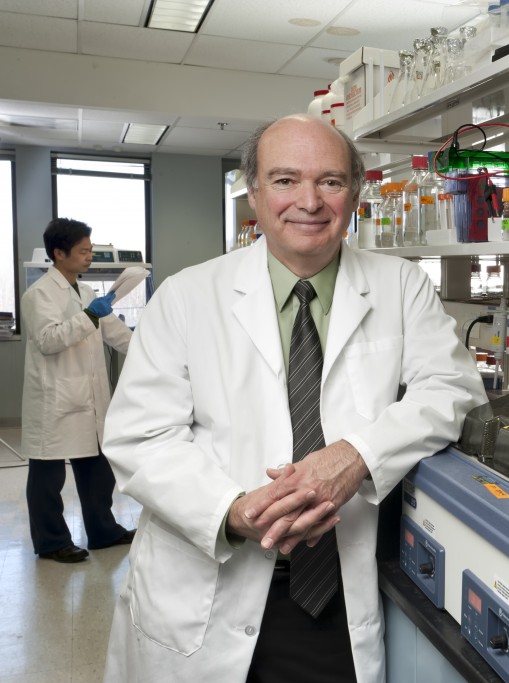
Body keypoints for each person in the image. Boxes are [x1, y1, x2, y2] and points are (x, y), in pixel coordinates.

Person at [102, 114, 487, 683]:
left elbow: (451, 387)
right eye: (284, 180)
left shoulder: (401, 285)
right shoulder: (187, 296)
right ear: (252, 192)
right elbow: (140, 437)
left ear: (354, 192)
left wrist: (354, 455)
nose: (309, 201)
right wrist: (234, 511)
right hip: (210, 581)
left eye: (330, 181)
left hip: (337, 588)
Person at [21, 217, 136, 563]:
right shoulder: (38, 294)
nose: (89, 257)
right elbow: (48, 340)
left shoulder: (85, 292)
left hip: (89, 398)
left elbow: (116, 334)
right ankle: (52, 541)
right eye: (83, 251)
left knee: (98, 469)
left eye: (91, 250)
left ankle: (103, 531)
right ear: (59, 253)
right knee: (47, 477)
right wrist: (88, 316)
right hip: (55, 400)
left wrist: (158, 347)